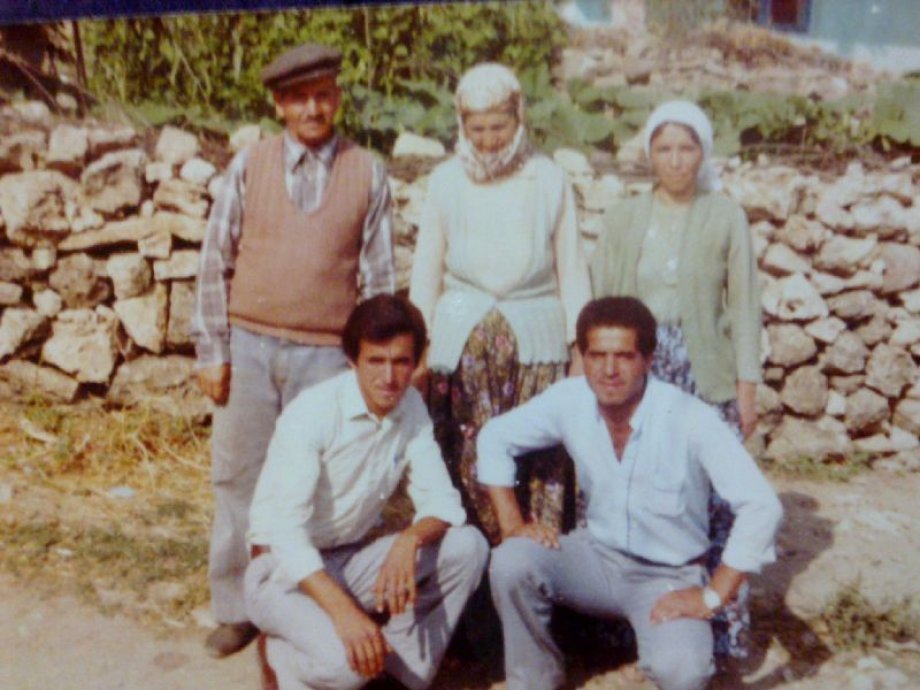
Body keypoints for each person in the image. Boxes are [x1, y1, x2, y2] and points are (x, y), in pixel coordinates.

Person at [190, 42, 395, 658]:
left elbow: (379, 280)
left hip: (327, 356)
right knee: (239, 477)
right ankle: (236, 607)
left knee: (321, 484)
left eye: (323, 95)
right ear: (279, 105)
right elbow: (214, 259)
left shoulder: (367, 171)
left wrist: (372, 364)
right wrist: (212, 350)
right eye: (299, 98)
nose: (313, 108)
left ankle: (307, 600)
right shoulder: (250, 164)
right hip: (249, 347)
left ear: (338, 98)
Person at [478, 296, 783, 690]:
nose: (609, 370)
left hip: (667, 577)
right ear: (582, 357)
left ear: (648, 360)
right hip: (595, 558)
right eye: (597, 355)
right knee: (512, 560)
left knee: (683, 672)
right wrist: (512, 524)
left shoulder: (688, 416)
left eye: (623, 356)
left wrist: (712, 596)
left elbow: (762, 505)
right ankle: (534, 681)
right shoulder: (570, 399)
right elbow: (494, 437)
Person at [589, 99, 762, 659]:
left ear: (703, 152)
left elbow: (745, 306)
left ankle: (721, 623)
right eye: (664, 148)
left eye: (687, 148)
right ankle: (630, 625)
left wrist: (747, 387)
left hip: (703, 369)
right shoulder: (624, 217)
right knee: (638, 487)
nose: (676, 159)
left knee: (712, 497)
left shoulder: (725, 215)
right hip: (635, 366)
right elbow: (601, 301)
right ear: (649, 154)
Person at [245, 295, 489, 690]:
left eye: (401, 361)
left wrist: (410, 539)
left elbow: (443, 501)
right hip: (281, 573)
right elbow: (285, 533)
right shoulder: (313, 413)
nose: (389, 377)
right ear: (352, 360)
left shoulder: (411, 406)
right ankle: (280, 655)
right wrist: (345, 614)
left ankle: (396, 671)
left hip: (348, 559)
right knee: (349, 667)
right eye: (376, 361)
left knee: (468, 546)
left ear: (417, 362)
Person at [408, 62, 591, 546]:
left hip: (536, 348)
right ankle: (469, 572)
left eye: (499, 126)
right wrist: (417, 346)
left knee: (535, 455)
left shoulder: (548, 178)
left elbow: (572, 268)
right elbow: (426, 270)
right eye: (478, 129)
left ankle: (534, 567)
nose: (489, 140)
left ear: (519, 118)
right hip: (460, 350)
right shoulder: (446, 181)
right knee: (464, 460)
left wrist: (579, 349)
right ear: (462, 125)